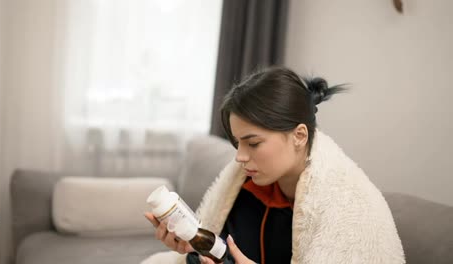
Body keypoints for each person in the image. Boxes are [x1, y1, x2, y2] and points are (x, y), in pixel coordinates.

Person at [144, 66, 405, 264]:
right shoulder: (246, 186)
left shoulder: (349, 208)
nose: (239, 157)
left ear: (299, 136)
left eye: (253, 143)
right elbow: (223, 252)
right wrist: (193, 247)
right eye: (237, 143)